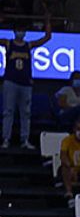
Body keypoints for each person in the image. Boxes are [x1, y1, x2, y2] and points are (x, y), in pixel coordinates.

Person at [2, 19, 51, 149]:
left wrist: (48, 22)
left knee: (25, 113)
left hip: (25, 83)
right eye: (19, 29)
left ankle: (25, 140)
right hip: (11, 81)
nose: (21, 32)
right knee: (8, 111)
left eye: (23, 30)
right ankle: (6, 138)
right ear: (14, 31)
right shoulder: (8, 43)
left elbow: (47, 37)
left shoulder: (28, 45)